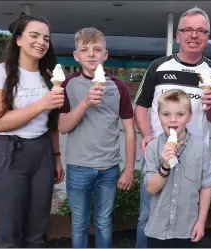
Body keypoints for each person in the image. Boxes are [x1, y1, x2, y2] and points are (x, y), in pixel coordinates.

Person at [134, 7, 211, 248]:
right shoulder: (158, 66)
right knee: (148, 214)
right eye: (188, 30)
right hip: (158, 153)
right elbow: (141, 108)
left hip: (195, 156)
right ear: (178, 36)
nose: (194, 35)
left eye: (200, 31)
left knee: (188, 215)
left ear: (207, 37)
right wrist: (146, 136)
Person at [0, 13, 65, 248]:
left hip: (42, 153)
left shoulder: (48, 77)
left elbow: (51, 124)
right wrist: (43, 103)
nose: (41, 42)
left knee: (37, 231)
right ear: (18, 39)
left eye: (46, 38)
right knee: (9, 231)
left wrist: (57, 157)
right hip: (9, 152)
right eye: (34, 35)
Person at [58, 27, 136, 248]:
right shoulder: (68, 85)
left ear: (105, 55)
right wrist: (85, 103)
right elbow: (63, 127)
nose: (91, 54)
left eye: (97, 49)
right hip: (79, 166)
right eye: (84, 49)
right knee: (79, 223)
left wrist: (129, 168)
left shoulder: (118, 86)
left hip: (109, 167)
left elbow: (130, 131)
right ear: (76, 56)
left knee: (103, 221)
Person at [143, 89, 211, 248]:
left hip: (188, 229)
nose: (173, 120)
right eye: (166, 114)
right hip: (159, 231)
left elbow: (206, 186)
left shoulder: (200, 147)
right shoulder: (153, 148)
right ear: (158, 116)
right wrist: (165, 166)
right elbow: (151, 188)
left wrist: (201, 222)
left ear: (189, 116)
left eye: (180, 115)